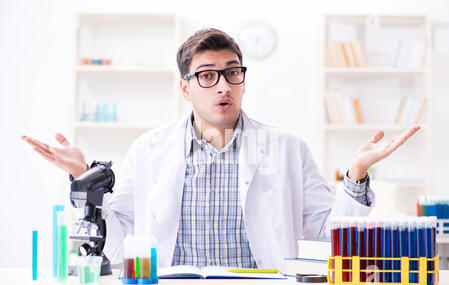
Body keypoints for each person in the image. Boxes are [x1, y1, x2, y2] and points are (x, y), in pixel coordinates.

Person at [22, 28, 420, 271]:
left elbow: (328, 235)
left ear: (244, 81)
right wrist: (81, 179)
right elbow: (117, 233)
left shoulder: (287, 148)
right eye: (208, 76)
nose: (223, 86)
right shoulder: (149, 149)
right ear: (185, 87)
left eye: (233, 73)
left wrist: (356, 175)